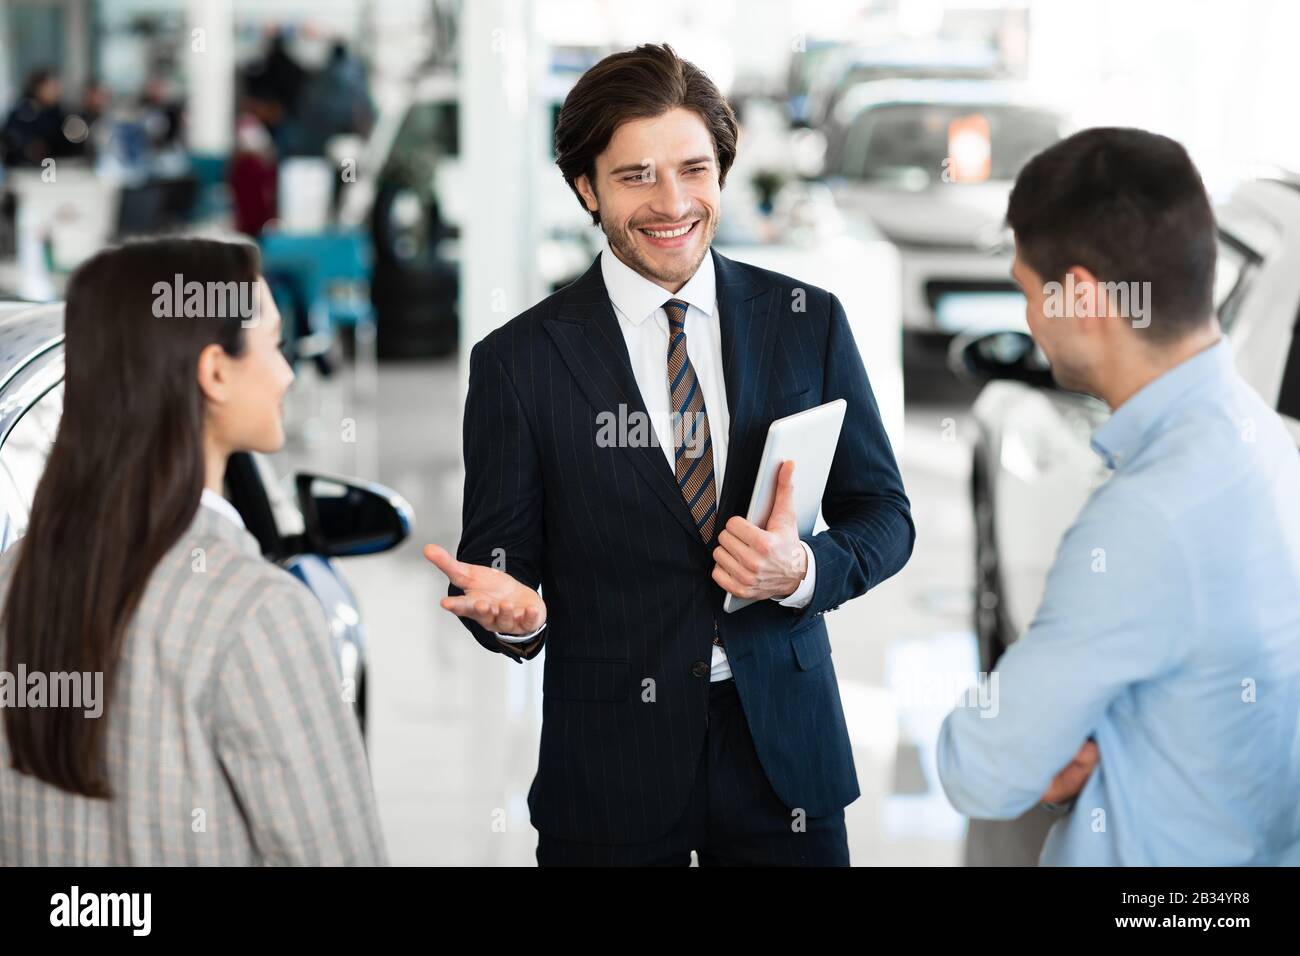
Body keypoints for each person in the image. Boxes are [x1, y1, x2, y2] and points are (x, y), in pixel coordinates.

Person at [424, 44, 914, 866]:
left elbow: (885, 516)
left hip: (783, 756)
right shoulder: (519, 363)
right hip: (611, 766)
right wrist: (520, 619)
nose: (672, 203)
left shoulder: (806, 320)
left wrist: (800, 571)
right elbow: (501, 569)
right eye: (636, 176)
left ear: (723, 171)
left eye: (694, 169)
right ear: (586, 188)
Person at [936, 127, 1300, 865]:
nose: (1031, 322)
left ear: (1082, 298)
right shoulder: (1261, 435)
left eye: (1028, 292)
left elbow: (983, 769)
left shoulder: (1146, 517)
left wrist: (1041, 739)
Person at [0, 238, 387, 865]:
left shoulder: (11, 585)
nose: (287, 372)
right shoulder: (257, 610)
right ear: (214, 371)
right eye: (273, 345)